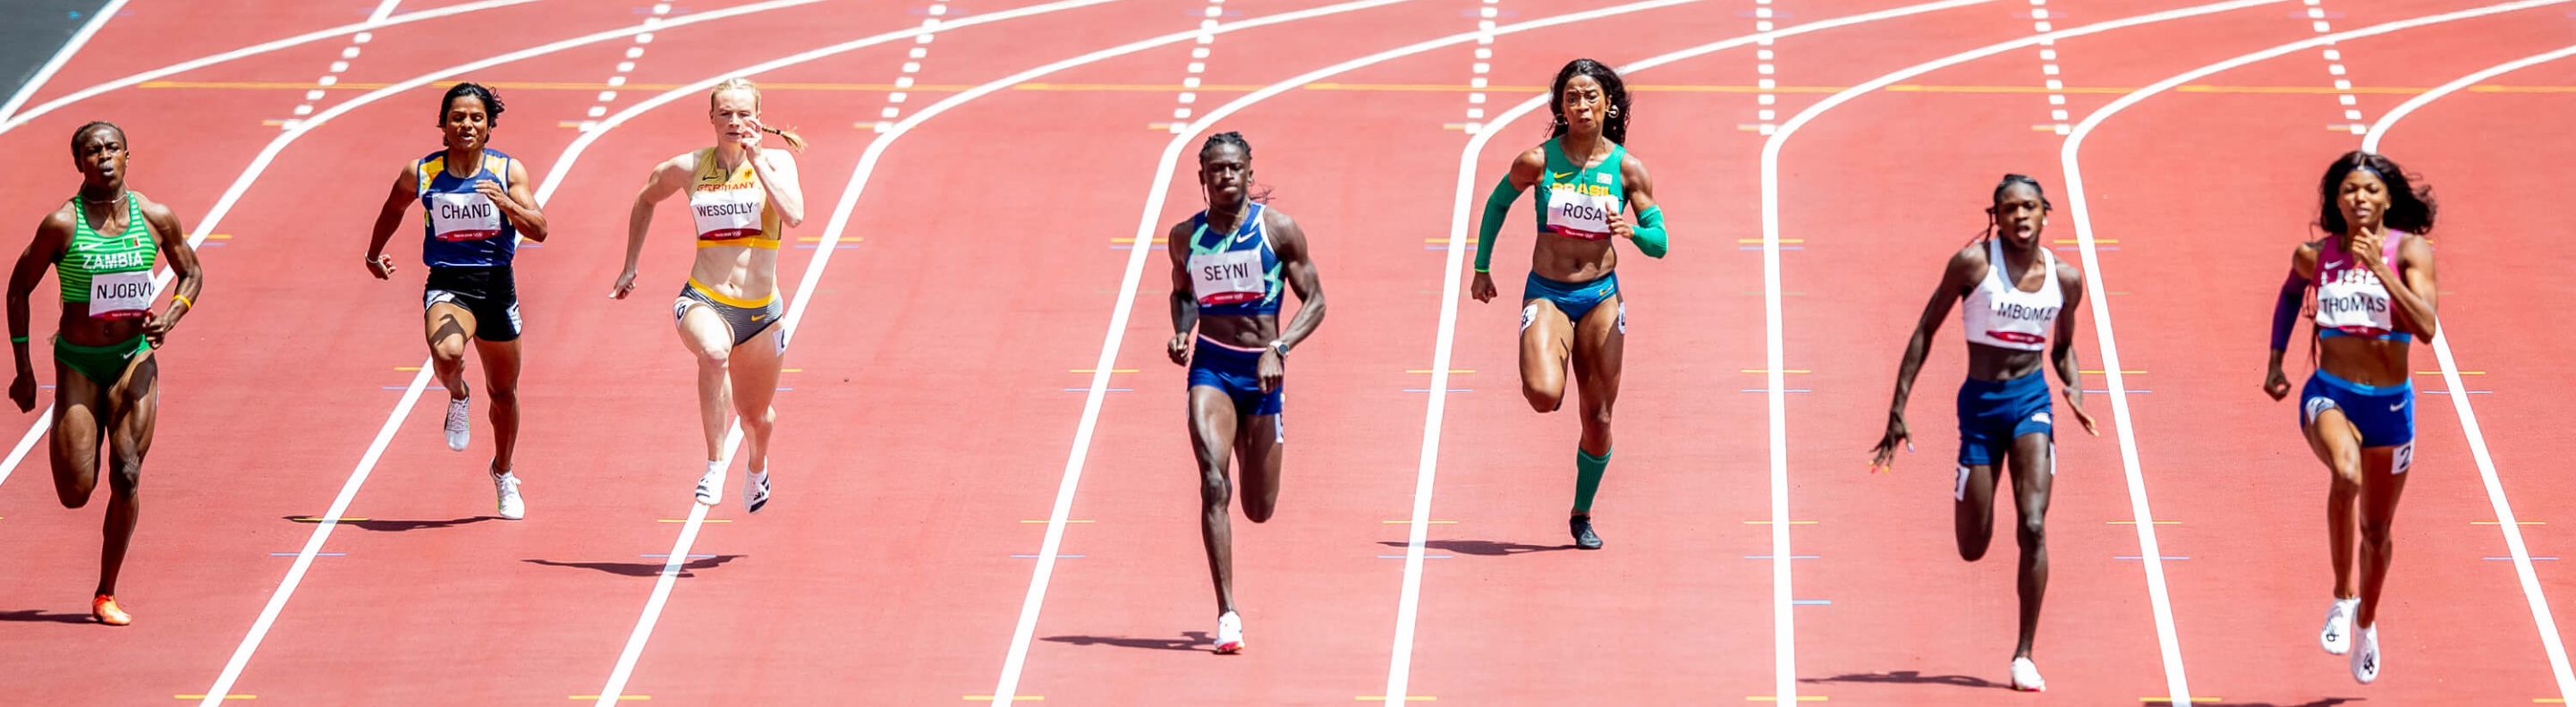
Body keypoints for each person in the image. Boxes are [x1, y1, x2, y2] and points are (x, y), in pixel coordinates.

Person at [1869, 175, 2097, 692]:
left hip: (2032, 404)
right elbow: (1926, 329)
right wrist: (1897, 408)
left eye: (2031, 207)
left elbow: (2062, 348)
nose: (2022, 216)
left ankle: (2024, 655)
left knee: (2034, 525)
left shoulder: (2066, 279)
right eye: (2011, 208)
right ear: (1996, 215)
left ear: (2045, 214)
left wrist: (2076, 391)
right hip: (1979, 408)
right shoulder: (1974, 264)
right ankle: (1973, 493)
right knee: (1972, 545)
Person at [7, 121, 205, 625]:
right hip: (76, 361)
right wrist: (24, 368)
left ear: (127, 154)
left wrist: (172, 314)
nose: (104, 157)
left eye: (112, 148)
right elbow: (16, 290)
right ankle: (75, 423)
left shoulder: (156, 216)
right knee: (75, 494)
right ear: (79, 163)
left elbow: (192, 271)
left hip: (133, 359)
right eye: (92, 151)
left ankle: (105, 592)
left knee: (128, 472)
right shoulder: (61, 224)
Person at [1466, 58, 1668, 549]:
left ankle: (1581, 513)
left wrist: (1633, 231)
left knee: (1597, 420)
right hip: (1548, 292)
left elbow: (1660, 241)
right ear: (1560, 106)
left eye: (1591, 96)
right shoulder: (1537, 161)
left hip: (1600, 295)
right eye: (1572, 97)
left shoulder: (1627, 168)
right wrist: (1482, 267)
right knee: (1542, 396)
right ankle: (1551, 367)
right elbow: (1496, 203)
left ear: (1609, 105)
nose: (1581, 105)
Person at [2262, 150, 2438, 685]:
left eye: (2369, 190)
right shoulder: (2315, 255)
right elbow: (2291, 293)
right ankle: (2342, 596)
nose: (2358, 199)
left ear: (2388, 198)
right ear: (2335, 200)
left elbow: (2427, 327)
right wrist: (2275, 360)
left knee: (2378, 532)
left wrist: (2379, 269)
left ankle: (2366, 621)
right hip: (2330, 393)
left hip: (2390, 406)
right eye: (2347, 191)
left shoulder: (2409, 250)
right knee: (2345, 474)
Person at [1163, 131, 1325, 654]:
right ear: (1203, 177)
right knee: (1213, 481)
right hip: (1212, 368)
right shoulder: (1185, 237)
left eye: (1235, 168)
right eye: (1217, 169)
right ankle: (1227, 613)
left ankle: (1257, 447)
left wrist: (1279, 346)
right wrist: (1184, 330)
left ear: (1249, 172)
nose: (1227, 176)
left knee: (1257, 507)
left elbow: (1316, 302)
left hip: (1261, 376)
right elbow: (1183, 294)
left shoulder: (1278, 231)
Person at [614, 78, 805, 513]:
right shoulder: (689, 167)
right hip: (704, 298)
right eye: (725, 114)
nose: (734, 122)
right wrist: (630, 264)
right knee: (715, 354)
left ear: (758, 116)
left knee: (756, 417)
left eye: (743, 113)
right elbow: (646, 198)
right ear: (712, 118)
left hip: (761, 314)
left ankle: (757, 466)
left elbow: (794, 216)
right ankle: (715, 462)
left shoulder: (777, 162)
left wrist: (756, 159)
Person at [365, 82, 547, 520]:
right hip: (448, 282)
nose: (466, 124)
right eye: (458, 117)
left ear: (489, 127)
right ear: (443, 124)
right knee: (446, 351)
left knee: (503, 393)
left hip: (497, 287)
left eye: (476, 118)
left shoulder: (508, 171)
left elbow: (539, 228)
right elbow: (393, 209)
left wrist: (506, 203)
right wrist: (373, 254)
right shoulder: (422, 172)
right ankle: (458, 395)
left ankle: (503, 472)